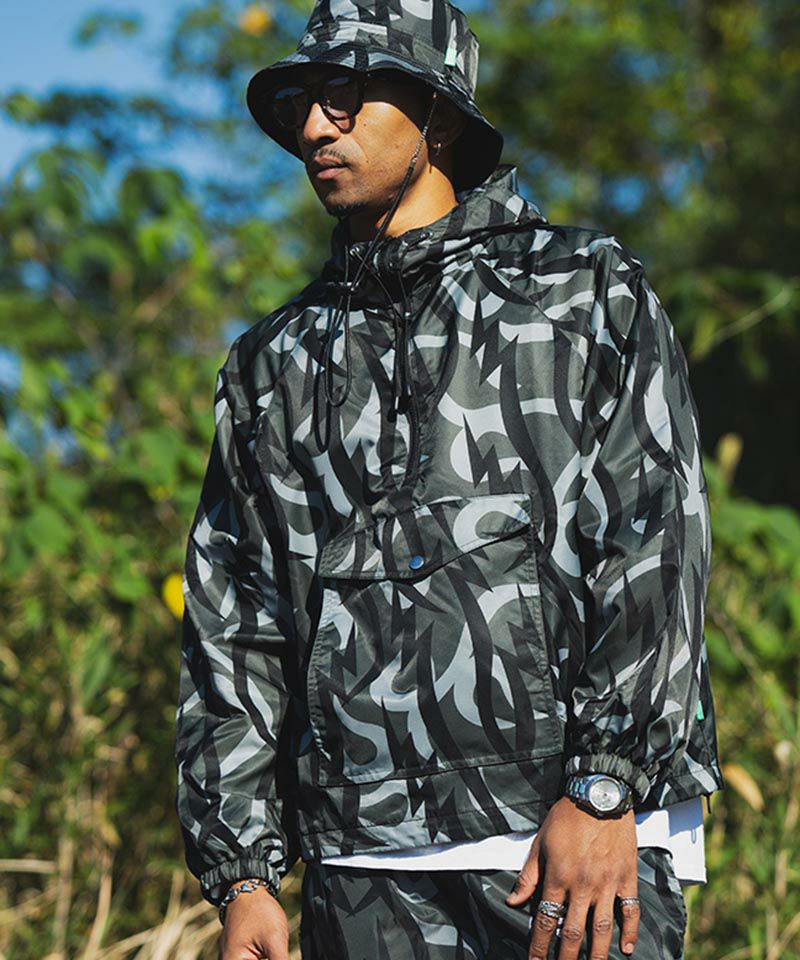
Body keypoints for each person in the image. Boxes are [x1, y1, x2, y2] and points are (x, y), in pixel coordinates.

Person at [174, 2, 725, 958]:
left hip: (568, 845)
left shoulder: (582, 290)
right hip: (362, 864)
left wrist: (606, 787)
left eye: (346, 95)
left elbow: (654, 540)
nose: (315, 127)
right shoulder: (273, 363)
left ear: (435, 113)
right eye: (303, 102)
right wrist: (245, 874)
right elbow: (237, 619)